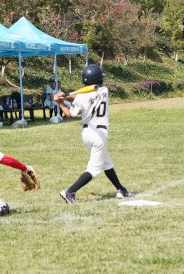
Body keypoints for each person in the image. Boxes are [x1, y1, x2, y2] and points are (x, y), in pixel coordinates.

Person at [55, 64, 131, 204]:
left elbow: (70, 115)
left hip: (86, 133)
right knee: (94, 169)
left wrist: (60, 102)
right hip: (99, 134)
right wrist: (65, 97)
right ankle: (69, 192)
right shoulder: (104, 91)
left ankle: (121, 189)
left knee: (106, 162)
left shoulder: (80, 98)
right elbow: (85, 94)